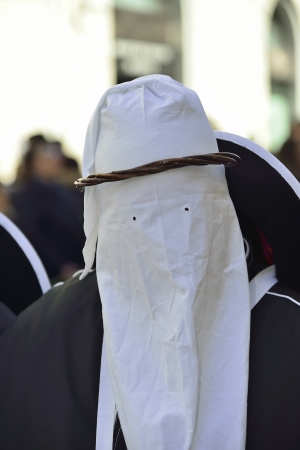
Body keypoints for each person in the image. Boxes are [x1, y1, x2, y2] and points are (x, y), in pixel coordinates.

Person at [0, 76, 300, 450]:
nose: (162, 234)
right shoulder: (289, 326)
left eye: (184, 208)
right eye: (138, 216)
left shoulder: (32, 337)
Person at [11, 134, 85, 281]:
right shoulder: (26, 195)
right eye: (48, 157)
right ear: (35, 163)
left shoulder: (63, 191)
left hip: (79, 265)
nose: (55, 161)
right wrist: (62, 265)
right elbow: (33, 235)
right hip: (56, 275)